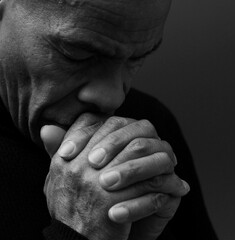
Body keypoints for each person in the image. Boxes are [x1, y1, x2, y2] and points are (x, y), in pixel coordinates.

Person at [0, 0, 218, 239]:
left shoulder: (146, 129)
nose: (113, 98)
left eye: (136, 59)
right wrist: (77, 234)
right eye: (78, 55)